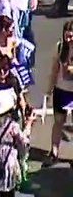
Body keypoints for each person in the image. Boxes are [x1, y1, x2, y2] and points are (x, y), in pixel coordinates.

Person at [47, 21, 73, 162]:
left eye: (71, 37)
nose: (69, 40)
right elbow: (54, 70)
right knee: (58, 122)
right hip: (61, 90)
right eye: (67, 36)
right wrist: (49, 89)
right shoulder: (60, 47)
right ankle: (54, 151)